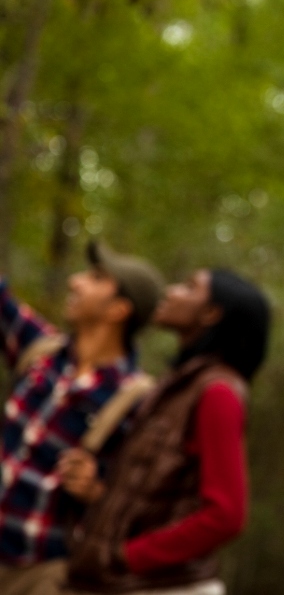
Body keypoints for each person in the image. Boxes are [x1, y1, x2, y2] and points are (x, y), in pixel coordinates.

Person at [57, 268, 270, 595]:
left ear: (211, 314)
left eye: (189, 288)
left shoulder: (219, 392)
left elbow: (227, 515)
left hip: (166, 586)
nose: (171, 291)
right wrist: (100, 495)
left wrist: (128, 556)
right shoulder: (178, 385)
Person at [0, 242, 163, 595]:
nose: (76, 282)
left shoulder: (137, 401)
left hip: (44, 573)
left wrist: (97, 491)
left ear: (119, 309)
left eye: (95, 278)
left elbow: (141, 505)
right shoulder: (42, 352)